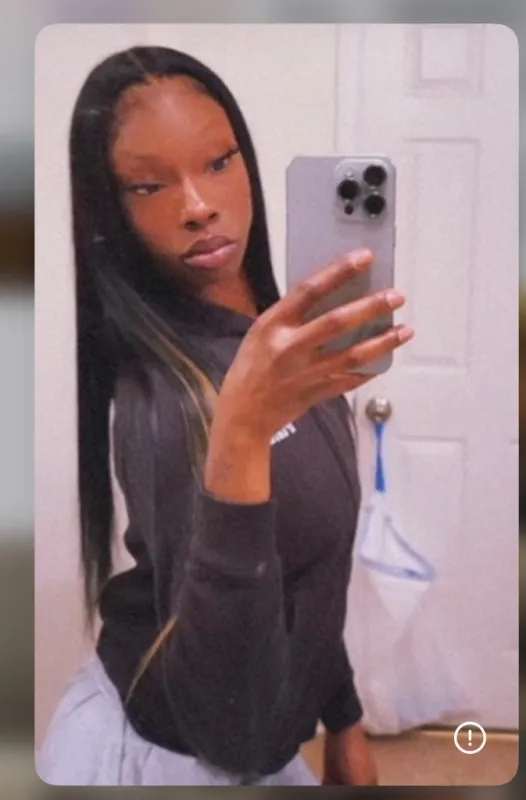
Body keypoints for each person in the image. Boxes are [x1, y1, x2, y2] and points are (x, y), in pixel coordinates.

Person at [37, 45, 413, 787]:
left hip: (268, 737)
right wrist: (239, 434)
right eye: (149, 185)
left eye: (218, 162)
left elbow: (308, 569)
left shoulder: (276, 341)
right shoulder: (166, 405)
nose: (198, 206)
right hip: (170, 757)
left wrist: (343, 718)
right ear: (112, 211)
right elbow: (233, 732)